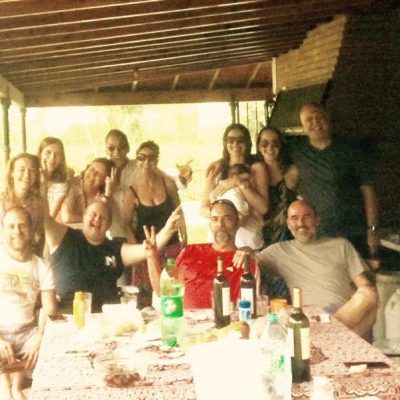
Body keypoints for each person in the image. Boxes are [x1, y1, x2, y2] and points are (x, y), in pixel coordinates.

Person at [236, 200, 378, 337]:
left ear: (317, 220)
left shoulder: (341, 245)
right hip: (306, 317)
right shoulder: (279, 251)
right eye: (294, 218)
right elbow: (250, 263)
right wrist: (247, 251)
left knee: (369, 293)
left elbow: (365, 285)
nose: (301, 223)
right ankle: (329, 336)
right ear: (288, 224)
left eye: (307, 216)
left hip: (343, 313)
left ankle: (327, 334)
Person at [45, 200, 182, 312]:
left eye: (103, 217)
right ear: (84, 216)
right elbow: (43, 217)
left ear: (108, 225)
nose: (97, 219)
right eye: (93, 214)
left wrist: (168, 229)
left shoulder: (115, 248)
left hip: (106, 318)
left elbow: (147, 249)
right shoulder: (63, 237)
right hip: (69, 315)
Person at [290, 103, 379, 258]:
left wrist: (372, 229)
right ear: (302, 126)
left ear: (328, 119)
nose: (315, 122)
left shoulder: (350, 150)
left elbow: (368, 190)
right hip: (317, 234)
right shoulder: (297, 154)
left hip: (353, 232)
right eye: (309, 119)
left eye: (319, 117)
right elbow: (288, 183)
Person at [146, 199, 257, 309]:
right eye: (215, 219)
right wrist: (151, 256)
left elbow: (249, 308)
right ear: (210, 224)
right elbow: (163, 291)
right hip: (183, 317)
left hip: (221, 319)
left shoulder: (244, 259)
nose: (220, 224)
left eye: (227, 218)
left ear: (237, 223)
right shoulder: (189, 251)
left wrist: (251, 254)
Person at [0, 207, 57, 400]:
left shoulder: (42, 266)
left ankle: (16, 385)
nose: (17, 231)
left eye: (22, 225)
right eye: (11, 226)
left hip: (27, 332)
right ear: (2, 230)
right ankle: (7, 387)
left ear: (31, 230)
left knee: (51, 351)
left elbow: (50, 309)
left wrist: (40, 338)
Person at [123, 141, 187, 308]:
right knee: (144, 302)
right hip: (146, 250)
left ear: (157, 161)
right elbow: (126, 225)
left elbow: (179, 212)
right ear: (136, 160)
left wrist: (185, 240)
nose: (146, 162)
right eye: (141, 157)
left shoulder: (167, 184)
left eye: (151, 158)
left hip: (172, 246)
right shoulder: (132, 191)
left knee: (173, 296)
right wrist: (137, 249)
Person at [201, 123, 269, 249]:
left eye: (240, 140)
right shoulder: (216, 169)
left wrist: (237, 182)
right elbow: (202, 209)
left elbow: (263, 208)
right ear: (225, 142)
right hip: (218, 238)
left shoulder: (257, 168)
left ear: (248, 143)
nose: (235, 144)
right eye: (231, 140)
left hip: (247, 239)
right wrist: (224, 217)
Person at [255, 126, 298, 245]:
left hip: (286, 236)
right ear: (258, 146)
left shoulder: (291, 170)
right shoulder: (252, 170)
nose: (270, 147)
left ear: (281, 146)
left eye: (275, 144)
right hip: (258, 235)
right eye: (264, 143)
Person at [0, 153, 47, 256]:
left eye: (32, 170)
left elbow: (40, 238)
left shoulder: (40, 204)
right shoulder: (1, 201)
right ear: (12, 173)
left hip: (28, 257)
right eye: (22, 170)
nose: (27, 175)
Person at [59, 157, 115, 227]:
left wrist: (107, 195)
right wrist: (91, 219)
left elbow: (103, 222)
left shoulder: (104, 196)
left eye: (99, 173)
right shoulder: (74, 185)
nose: (93, 174)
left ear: (105, 181)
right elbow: (67, 217)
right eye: (92, 169)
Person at [37, 137, 74, 220]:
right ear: (40, 154)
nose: (52, 158)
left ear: (61, 159)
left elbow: (49, 216)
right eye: (48, 153)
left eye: (57, 154)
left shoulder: (61, 184)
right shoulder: (29, 176)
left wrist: (43, 185)